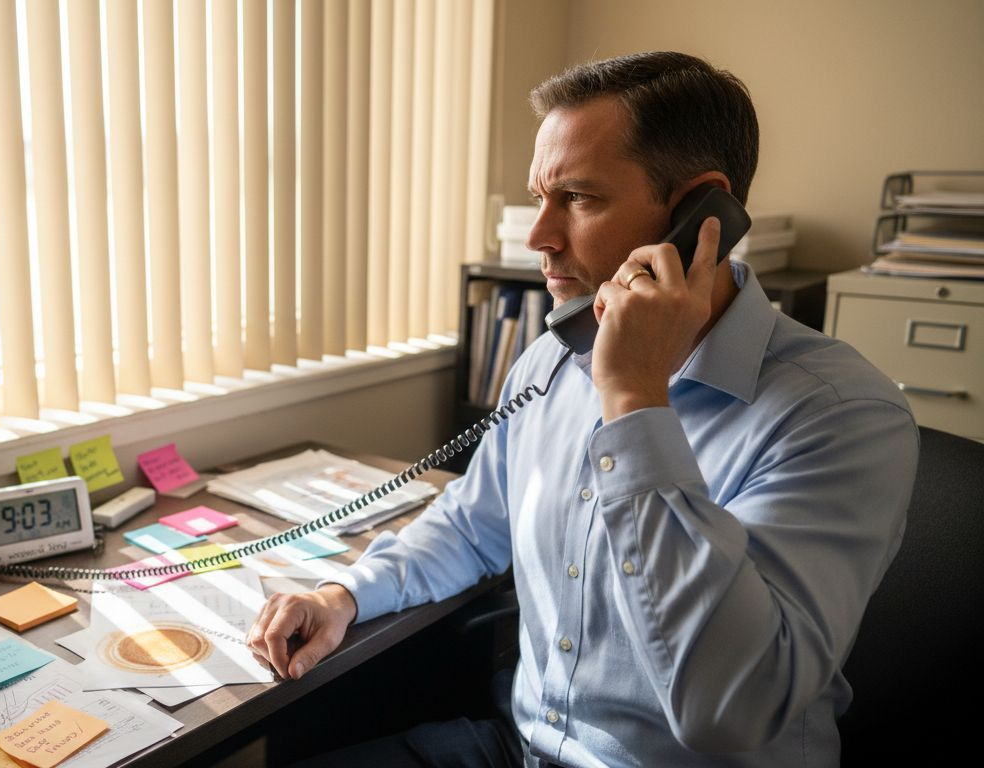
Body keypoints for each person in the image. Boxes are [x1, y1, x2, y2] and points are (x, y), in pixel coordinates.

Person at [246, 51, 918, 768]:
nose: (539, 237)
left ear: (702, 215)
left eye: (580, 198)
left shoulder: (840, 417)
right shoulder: (555, 361)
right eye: (540, 196)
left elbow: (732, 709)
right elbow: (475, 523)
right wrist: (343, 594)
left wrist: (635, 402)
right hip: (524, 748)